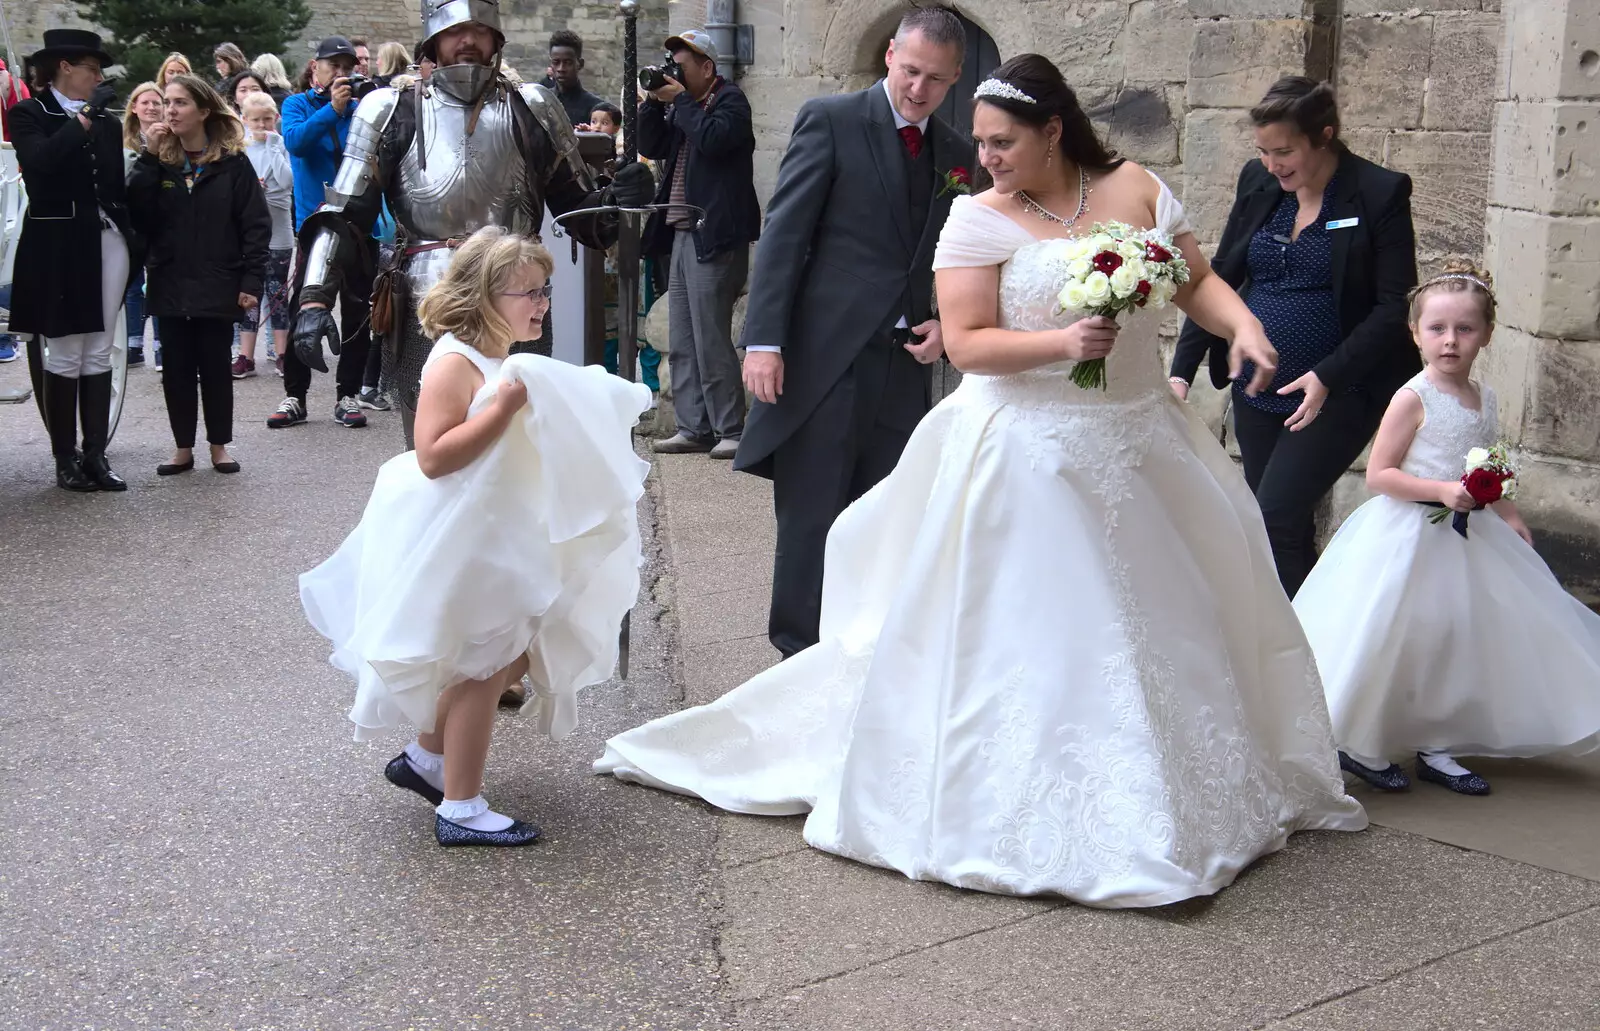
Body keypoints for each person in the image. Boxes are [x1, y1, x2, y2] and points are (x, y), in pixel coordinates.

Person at [597, 54, 1367, 908]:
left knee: (1171, 617)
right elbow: (965, 344)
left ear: (1053, 130)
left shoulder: (1135, 188)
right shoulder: (976, 218)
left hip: (1142, 441)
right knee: (1062, 628)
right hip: (1028, 450)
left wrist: (1246, 324)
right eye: (984, 142)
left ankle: (1188, 788)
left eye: (1004, 141)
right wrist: (1059, 345)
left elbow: (1193, 279)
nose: (986, 155)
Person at [300, 227, 652, 847]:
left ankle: (427, 760)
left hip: (497, 526)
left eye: (545, 291)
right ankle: (460, 807)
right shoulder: (456, 361)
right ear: (486, 295)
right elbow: (433, 455)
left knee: (511, 652)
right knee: (486, 664)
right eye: (529, 293)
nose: (542, 303)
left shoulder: (501, 356)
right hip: (461, 532)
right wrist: (503, 409)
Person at [286, 0, 653, 449]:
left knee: (519, 442)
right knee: (433, 446)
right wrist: (314, 300)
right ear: (433, 40)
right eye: (455, 30)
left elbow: (580, 212)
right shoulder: (388, 110)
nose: (468, 40)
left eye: (479, 29)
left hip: (517, 297)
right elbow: (345, 215)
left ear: (496, 38)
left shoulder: (533, 106)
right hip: (425, 295)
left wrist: (618, 201)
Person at [1294, 262, 1600, 797]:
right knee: (1392, 634)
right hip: (1408, 535)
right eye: (1437, 329)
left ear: (1486, 334)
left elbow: (1486, 463)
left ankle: (1438, 744)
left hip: (1466, 537)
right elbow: (1380, 476)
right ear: (1415, 333)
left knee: (1455, 635)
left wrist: (1507, 511)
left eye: (1465, 329)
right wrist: (1439, 491)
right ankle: (1357, 742)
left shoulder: (1487, 397)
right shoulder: (1413, 397)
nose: (1451, 341)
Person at [732, 7, 974, 657]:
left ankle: (864, 650)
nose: (918, 88)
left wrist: (947, 322)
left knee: (886, 514)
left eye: (935, 79)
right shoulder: (831, 120)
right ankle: (796, 653)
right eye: (911, 69)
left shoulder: (957, 154)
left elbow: (955, 254)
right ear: (890, 53)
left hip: (903, 363)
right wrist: (764, 341)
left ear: (953, 81)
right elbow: (786, 233)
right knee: (812, 515)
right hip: (824, 358)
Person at [1169, 77, 1419, 597]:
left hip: (1339, 388)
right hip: (1258, 386)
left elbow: (1395, 305)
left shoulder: (1378, 192)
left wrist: (1328, 375)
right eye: (1262, 151)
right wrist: (1180, 371)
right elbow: (1217, 278)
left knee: (1274, 514)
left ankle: (1296, 653)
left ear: (1323, 136)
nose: (1271, 164)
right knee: (1276, 527)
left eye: (1284, 151)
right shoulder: (1259, 186)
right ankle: (1300, 645)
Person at [10, 29, 134, 491]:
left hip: (105, 237)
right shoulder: (29, 113)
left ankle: (96, 454)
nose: (98, 78)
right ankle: (65, 457)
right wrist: (83, 118)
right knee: (63, 349)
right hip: (58, 240)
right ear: (65, 67)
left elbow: (114, 184)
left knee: (99, 347)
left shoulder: (104, 121)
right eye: (92, 69)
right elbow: (40, 163)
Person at [128, 75, 270, 475]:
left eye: (179, 103)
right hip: (170, 279)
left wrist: (250, 281)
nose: (169, 110)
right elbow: (137, 213)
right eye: (166, 103)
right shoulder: (159, 161)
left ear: (204, 111)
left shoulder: (232, 163)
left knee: (213, 368)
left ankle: (219, 445)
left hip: (218, 279)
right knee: (175, 370)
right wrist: (150, 158)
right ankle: (182, 447)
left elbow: (254, 225)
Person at [637, 29, 762, 460]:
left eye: (682, 66)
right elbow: (648, 146)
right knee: (683, 337)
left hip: (716, 234)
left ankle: (731, 429)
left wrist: (680, 102)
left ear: (707, 68)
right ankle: (694, 427)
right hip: (682, 232)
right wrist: (654, 103)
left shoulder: (731, 102)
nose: (674, 72)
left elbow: (713, 140)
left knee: (710, 337)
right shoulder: (680, 106)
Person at [272, 35, 371, 429]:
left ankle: (348, 393)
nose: (342, 72)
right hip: (314, 223)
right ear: (316, 67)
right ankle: (295, 395)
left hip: (360, 223)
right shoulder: (297, 104)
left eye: (348, 66)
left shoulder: (363, 109)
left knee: (357, 309)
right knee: (306, 306)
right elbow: (296, 143)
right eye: (334, 65)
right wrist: (332, 109)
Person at [236, 92, 293, 379]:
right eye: (255, 120)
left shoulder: (279, 145)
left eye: (267, 119)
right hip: (249, 236)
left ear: (276, 119)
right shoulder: (240, 149)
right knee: (249, 293)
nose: (262, 125)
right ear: (245, 120)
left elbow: (285, 181)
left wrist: (273, 146)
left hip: (279, 232)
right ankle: (245, 355)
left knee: (277, 293)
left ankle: (283, 352)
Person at [121, 80, 166, 369]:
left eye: (156, 102)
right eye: (145, 102)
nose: (150, 107)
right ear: (134, 107)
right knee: (132, 285)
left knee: (159, 284)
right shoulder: (122, 140)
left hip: (161, 218)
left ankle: (162, 346)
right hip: (130, 220)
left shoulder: (171, 137)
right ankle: (133, 344)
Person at [544, 30, 602, 126]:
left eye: (568, 63)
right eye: (556, 62)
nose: (561, 69)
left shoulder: (595, 108)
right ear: (551, 64)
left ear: (580, 64)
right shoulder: (541, 103)